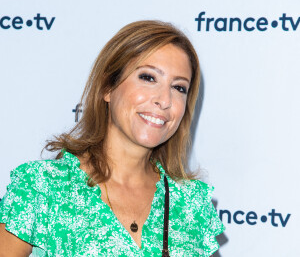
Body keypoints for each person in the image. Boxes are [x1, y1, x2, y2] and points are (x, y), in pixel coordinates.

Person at [0, 20, 225, 256]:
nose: (164, 100)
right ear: (108, 87)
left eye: (179, 88)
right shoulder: (41, 187)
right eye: (148, 78)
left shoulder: (192, 205)